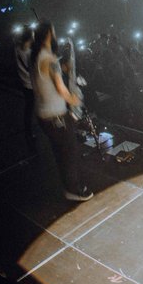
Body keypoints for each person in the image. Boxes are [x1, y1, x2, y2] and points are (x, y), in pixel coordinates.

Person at [31, 21, 92, 202]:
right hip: (56, 116)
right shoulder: (49, 59)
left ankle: (68, 186)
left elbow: (48, 78)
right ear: (49, 34)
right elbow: (61, 88)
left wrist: (64, 68)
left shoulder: (36, 57)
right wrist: (75, 99)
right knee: (69, 153)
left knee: (60, 152)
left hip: (43, 115)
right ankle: (74, 190)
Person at [15, 26, 36, 144]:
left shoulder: (17, 48)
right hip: (31, 83)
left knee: (28, 109)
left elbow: (16, 39)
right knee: (31, 108)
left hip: (24, 83)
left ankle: (28, 131)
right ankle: (30, 132)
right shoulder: (29, 53)